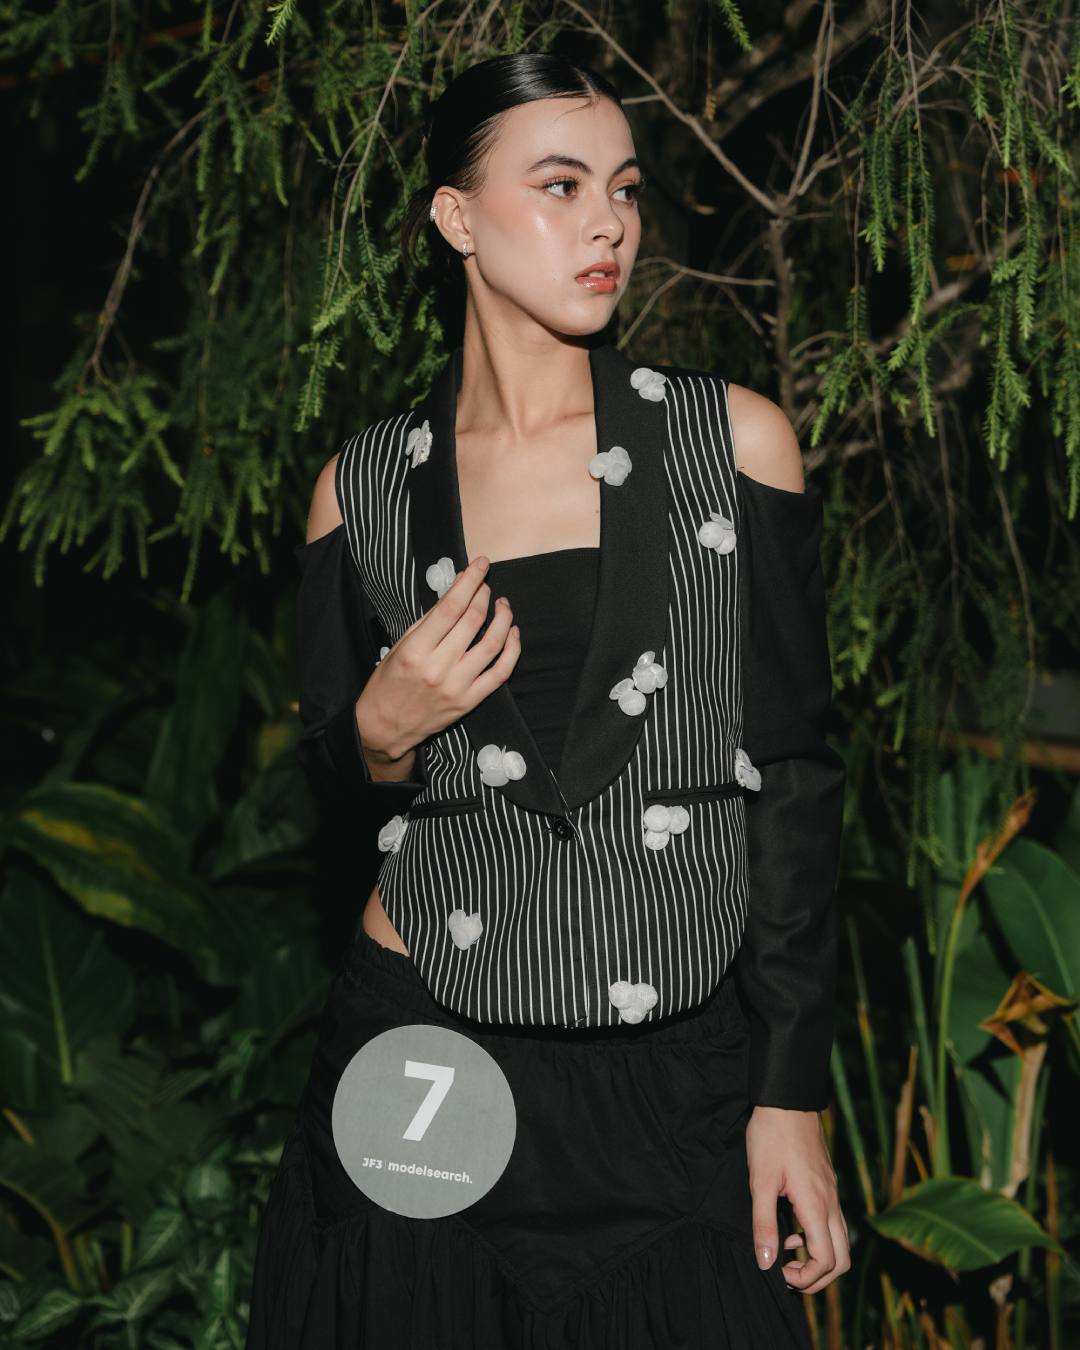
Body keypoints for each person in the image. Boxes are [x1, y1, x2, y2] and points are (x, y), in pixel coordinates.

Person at [245, 50, 849, 1350]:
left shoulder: (732, 443)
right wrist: (380, 732)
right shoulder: (364, 490)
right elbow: (335, 780)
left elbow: (795, 775)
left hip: (670, 1070)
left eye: (623, 189)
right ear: (456, 218)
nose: (607, 224)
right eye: (560, 185)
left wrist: (789, 1090)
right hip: (424, 1041)